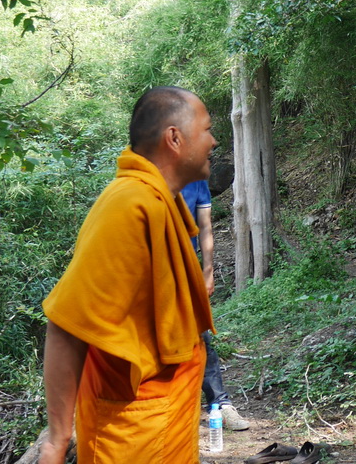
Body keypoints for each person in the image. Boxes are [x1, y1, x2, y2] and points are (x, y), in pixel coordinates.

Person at [39, 86, 218, 464]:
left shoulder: (155, 200)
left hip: (160, 422)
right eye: (206, 129)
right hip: (130, 435)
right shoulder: (128, 204)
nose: (213, 141)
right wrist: (56, 442)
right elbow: (66, 325)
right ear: (175, 138)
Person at [181, 179, 250, 431]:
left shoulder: (197, 181)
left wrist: (208, 270)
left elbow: (205, 226)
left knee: (200, 337)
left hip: (187, 268)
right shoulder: (151, 177)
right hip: (151, 273)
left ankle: (220, 405)